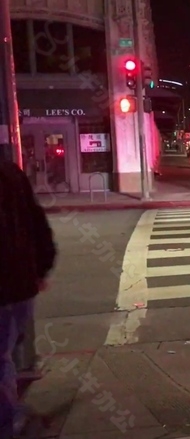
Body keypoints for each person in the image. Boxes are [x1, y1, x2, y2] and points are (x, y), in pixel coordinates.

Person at [0, 160, 57, 437]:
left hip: (14, 285)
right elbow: (37, 224)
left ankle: (7, 420)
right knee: (4, 356)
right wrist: (42, 269)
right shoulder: (12, 174)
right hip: (19, 285)